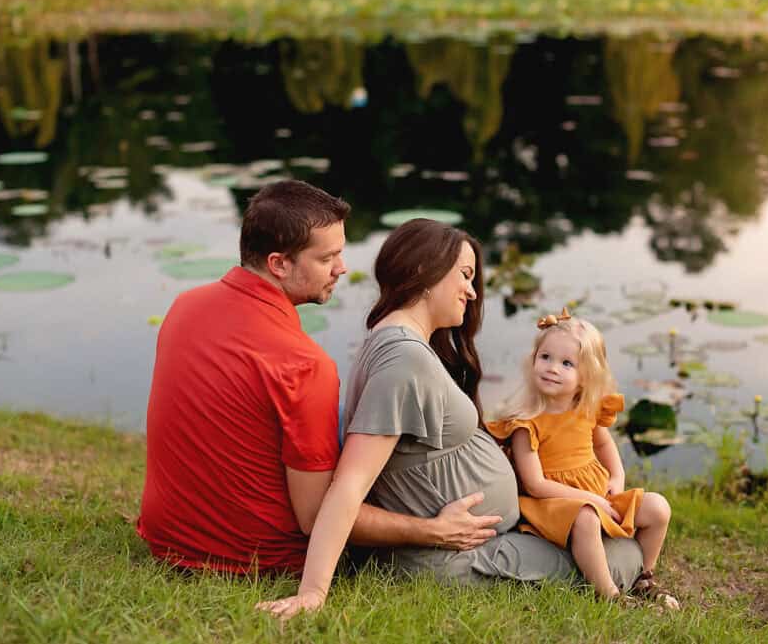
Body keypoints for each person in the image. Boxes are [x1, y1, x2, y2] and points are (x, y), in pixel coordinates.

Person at [257, 219, 643, 619]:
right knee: (623, 556)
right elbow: (350, 483)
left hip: (461, 545)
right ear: (425, 272)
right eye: (465, 275)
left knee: (607, 537)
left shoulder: (394, 340)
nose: (472, 291)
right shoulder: (403, 357)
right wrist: (313, 592)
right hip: (450, 558)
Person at [137, 181, 499, 576]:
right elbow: (316, 518)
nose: (342, 268)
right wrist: (432, 531)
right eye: (328, 258)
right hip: (258, 559)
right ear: (279, 264)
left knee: (356, 414)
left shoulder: (185, 307)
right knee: (371, 436)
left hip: (167, 537)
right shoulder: (304, 365)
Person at [485, 308, 678, 607]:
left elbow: (604, 445)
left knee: (657, 508)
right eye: (545, 357)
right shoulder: (527, 423)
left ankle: (644, 577)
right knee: (586, 517)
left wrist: (616, 478)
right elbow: (534, 484)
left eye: (566, 363)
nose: (552, 368)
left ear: (586, 377)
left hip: (596, 493)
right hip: (552, 502)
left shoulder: (587, 408)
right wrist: (592, 501)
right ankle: (610, 595)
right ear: (533, 359)